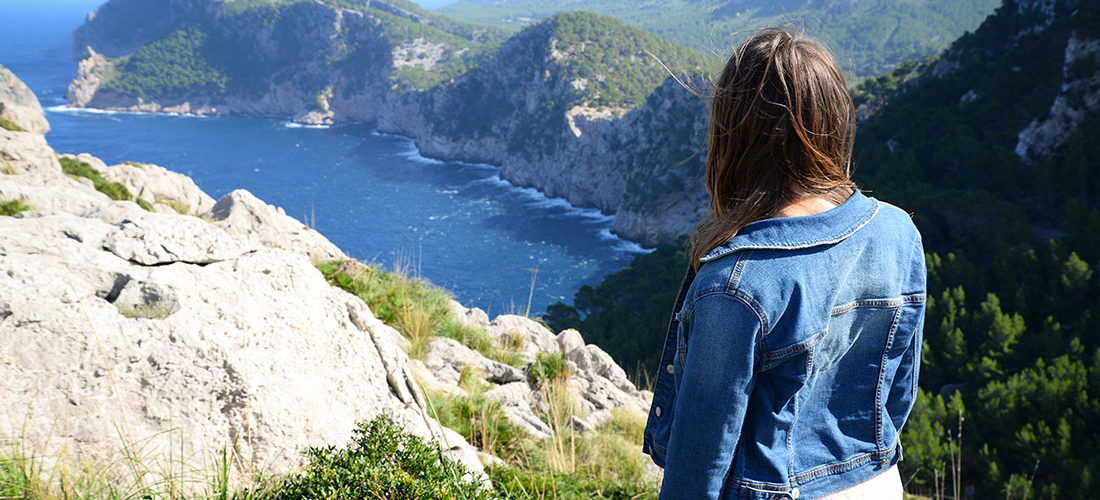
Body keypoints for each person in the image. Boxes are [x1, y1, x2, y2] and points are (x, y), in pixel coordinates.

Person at [641, 27, 927, 500]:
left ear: (733, 133)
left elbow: (698, 467)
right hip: (877, 484)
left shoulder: (734, 285)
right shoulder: (898, 231)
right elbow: (899, 392)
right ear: (835, 119)